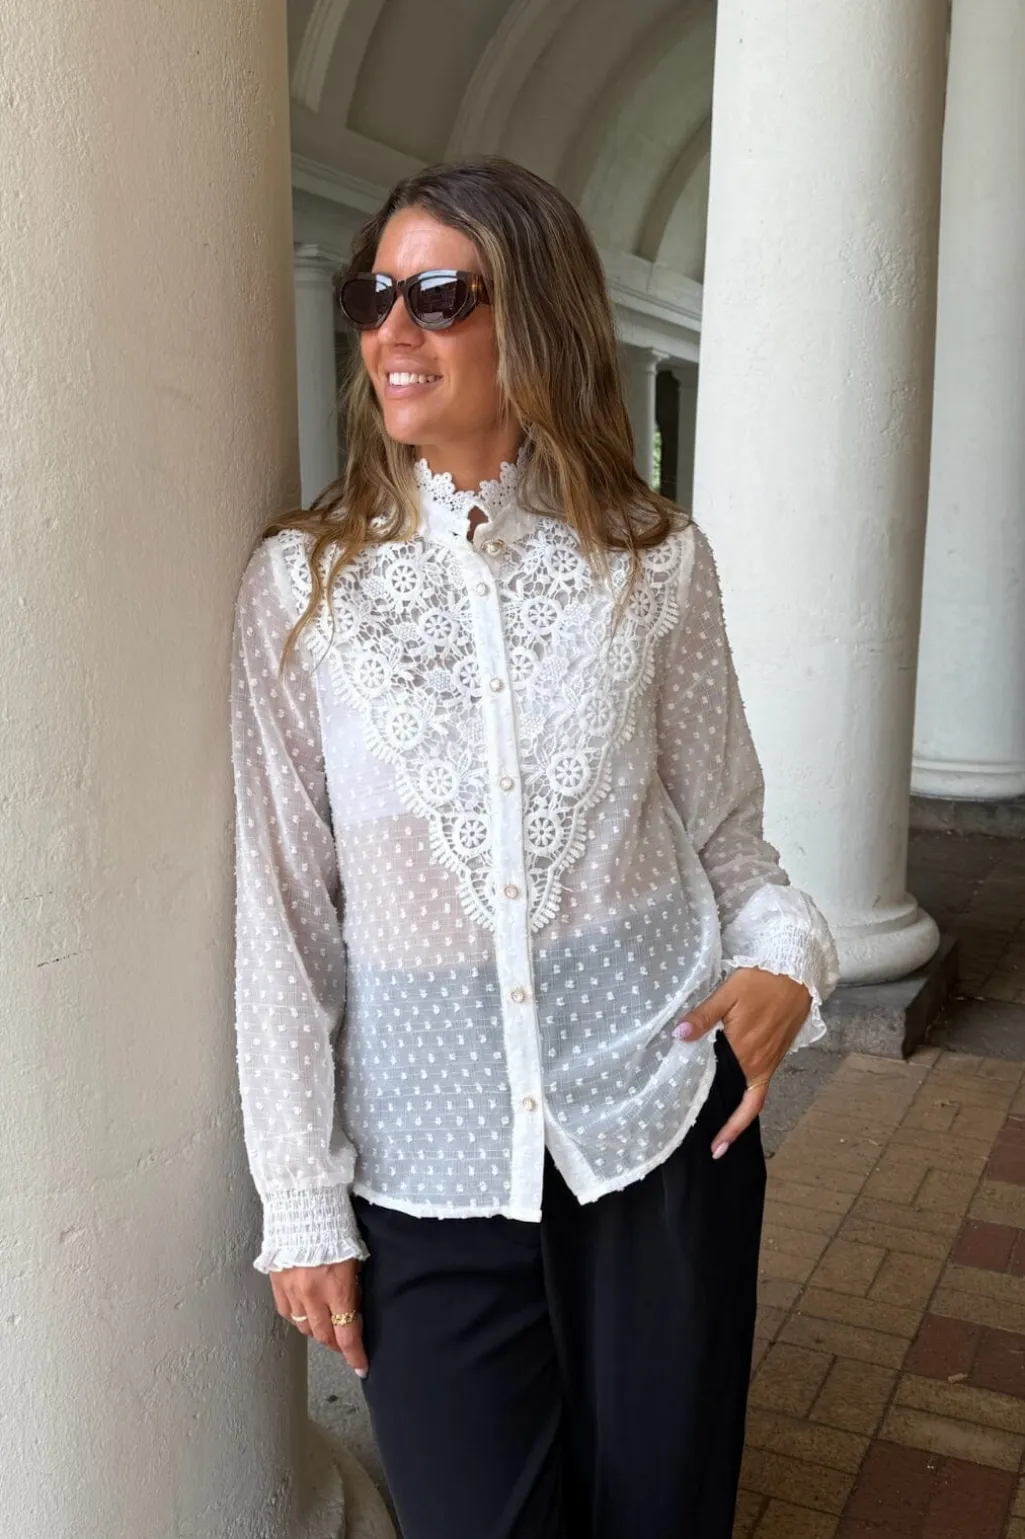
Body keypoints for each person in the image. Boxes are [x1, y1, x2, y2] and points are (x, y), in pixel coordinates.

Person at [230, 157, 839, 1539]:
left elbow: (733, 842)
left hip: (660, 1135)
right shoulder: (301, 590)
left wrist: (790, 964)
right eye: (374, 296)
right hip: (426, 1174)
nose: (394, 329)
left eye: (440, 296)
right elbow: (284, 919)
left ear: (538, 317)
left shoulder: (655, 560)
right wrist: (302, 1199)